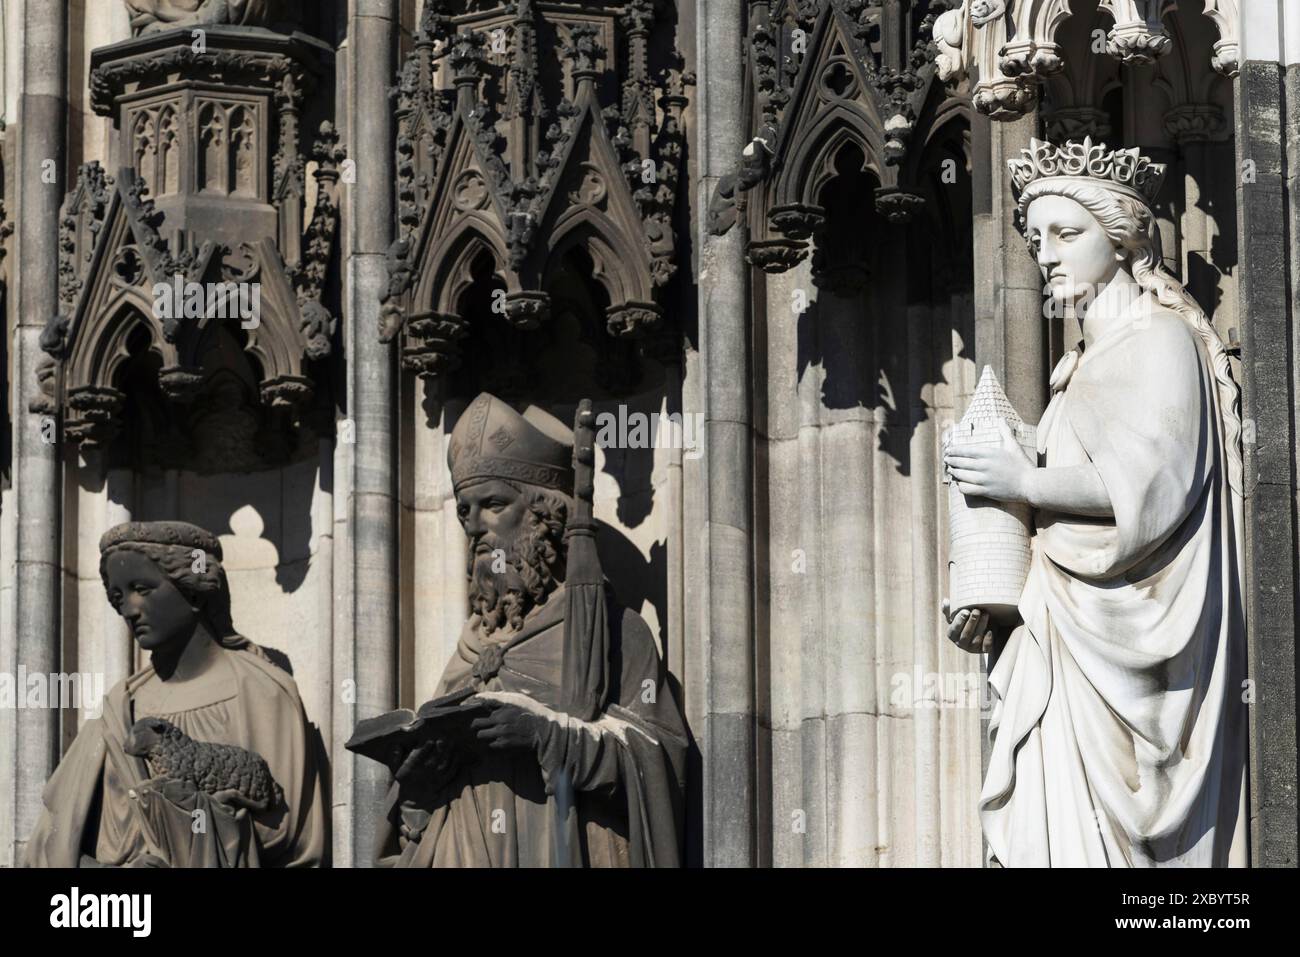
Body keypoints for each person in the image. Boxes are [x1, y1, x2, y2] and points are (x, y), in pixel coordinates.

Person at [942, 138, 1247, 866]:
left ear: (1120, 237)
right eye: (1035, 236)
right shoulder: (1073, 369)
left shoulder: (1162, 339)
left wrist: (1022, 481)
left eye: (1066, 233)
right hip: (1063, 635)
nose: (1045, 254)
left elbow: (1149, 488)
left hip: (1140, 638)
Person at [375, 393, 687, 867]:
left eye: (493, 504)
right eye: (463, 510)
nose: (474, 526)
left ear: (546, 516)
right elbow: (412, 832)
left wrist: (548, 737)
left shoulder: (613, 633)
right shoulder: (468, 651)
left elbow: (661, 764)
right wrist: (417, 791)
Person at [23, 521, 326, 867]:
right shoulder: (121, 710)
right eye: (118, 597)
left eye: (142, 589)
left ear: (195, 592)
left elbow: (297, 844)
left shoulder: (264, 694)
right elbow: (50, 846)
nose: (128, 610)